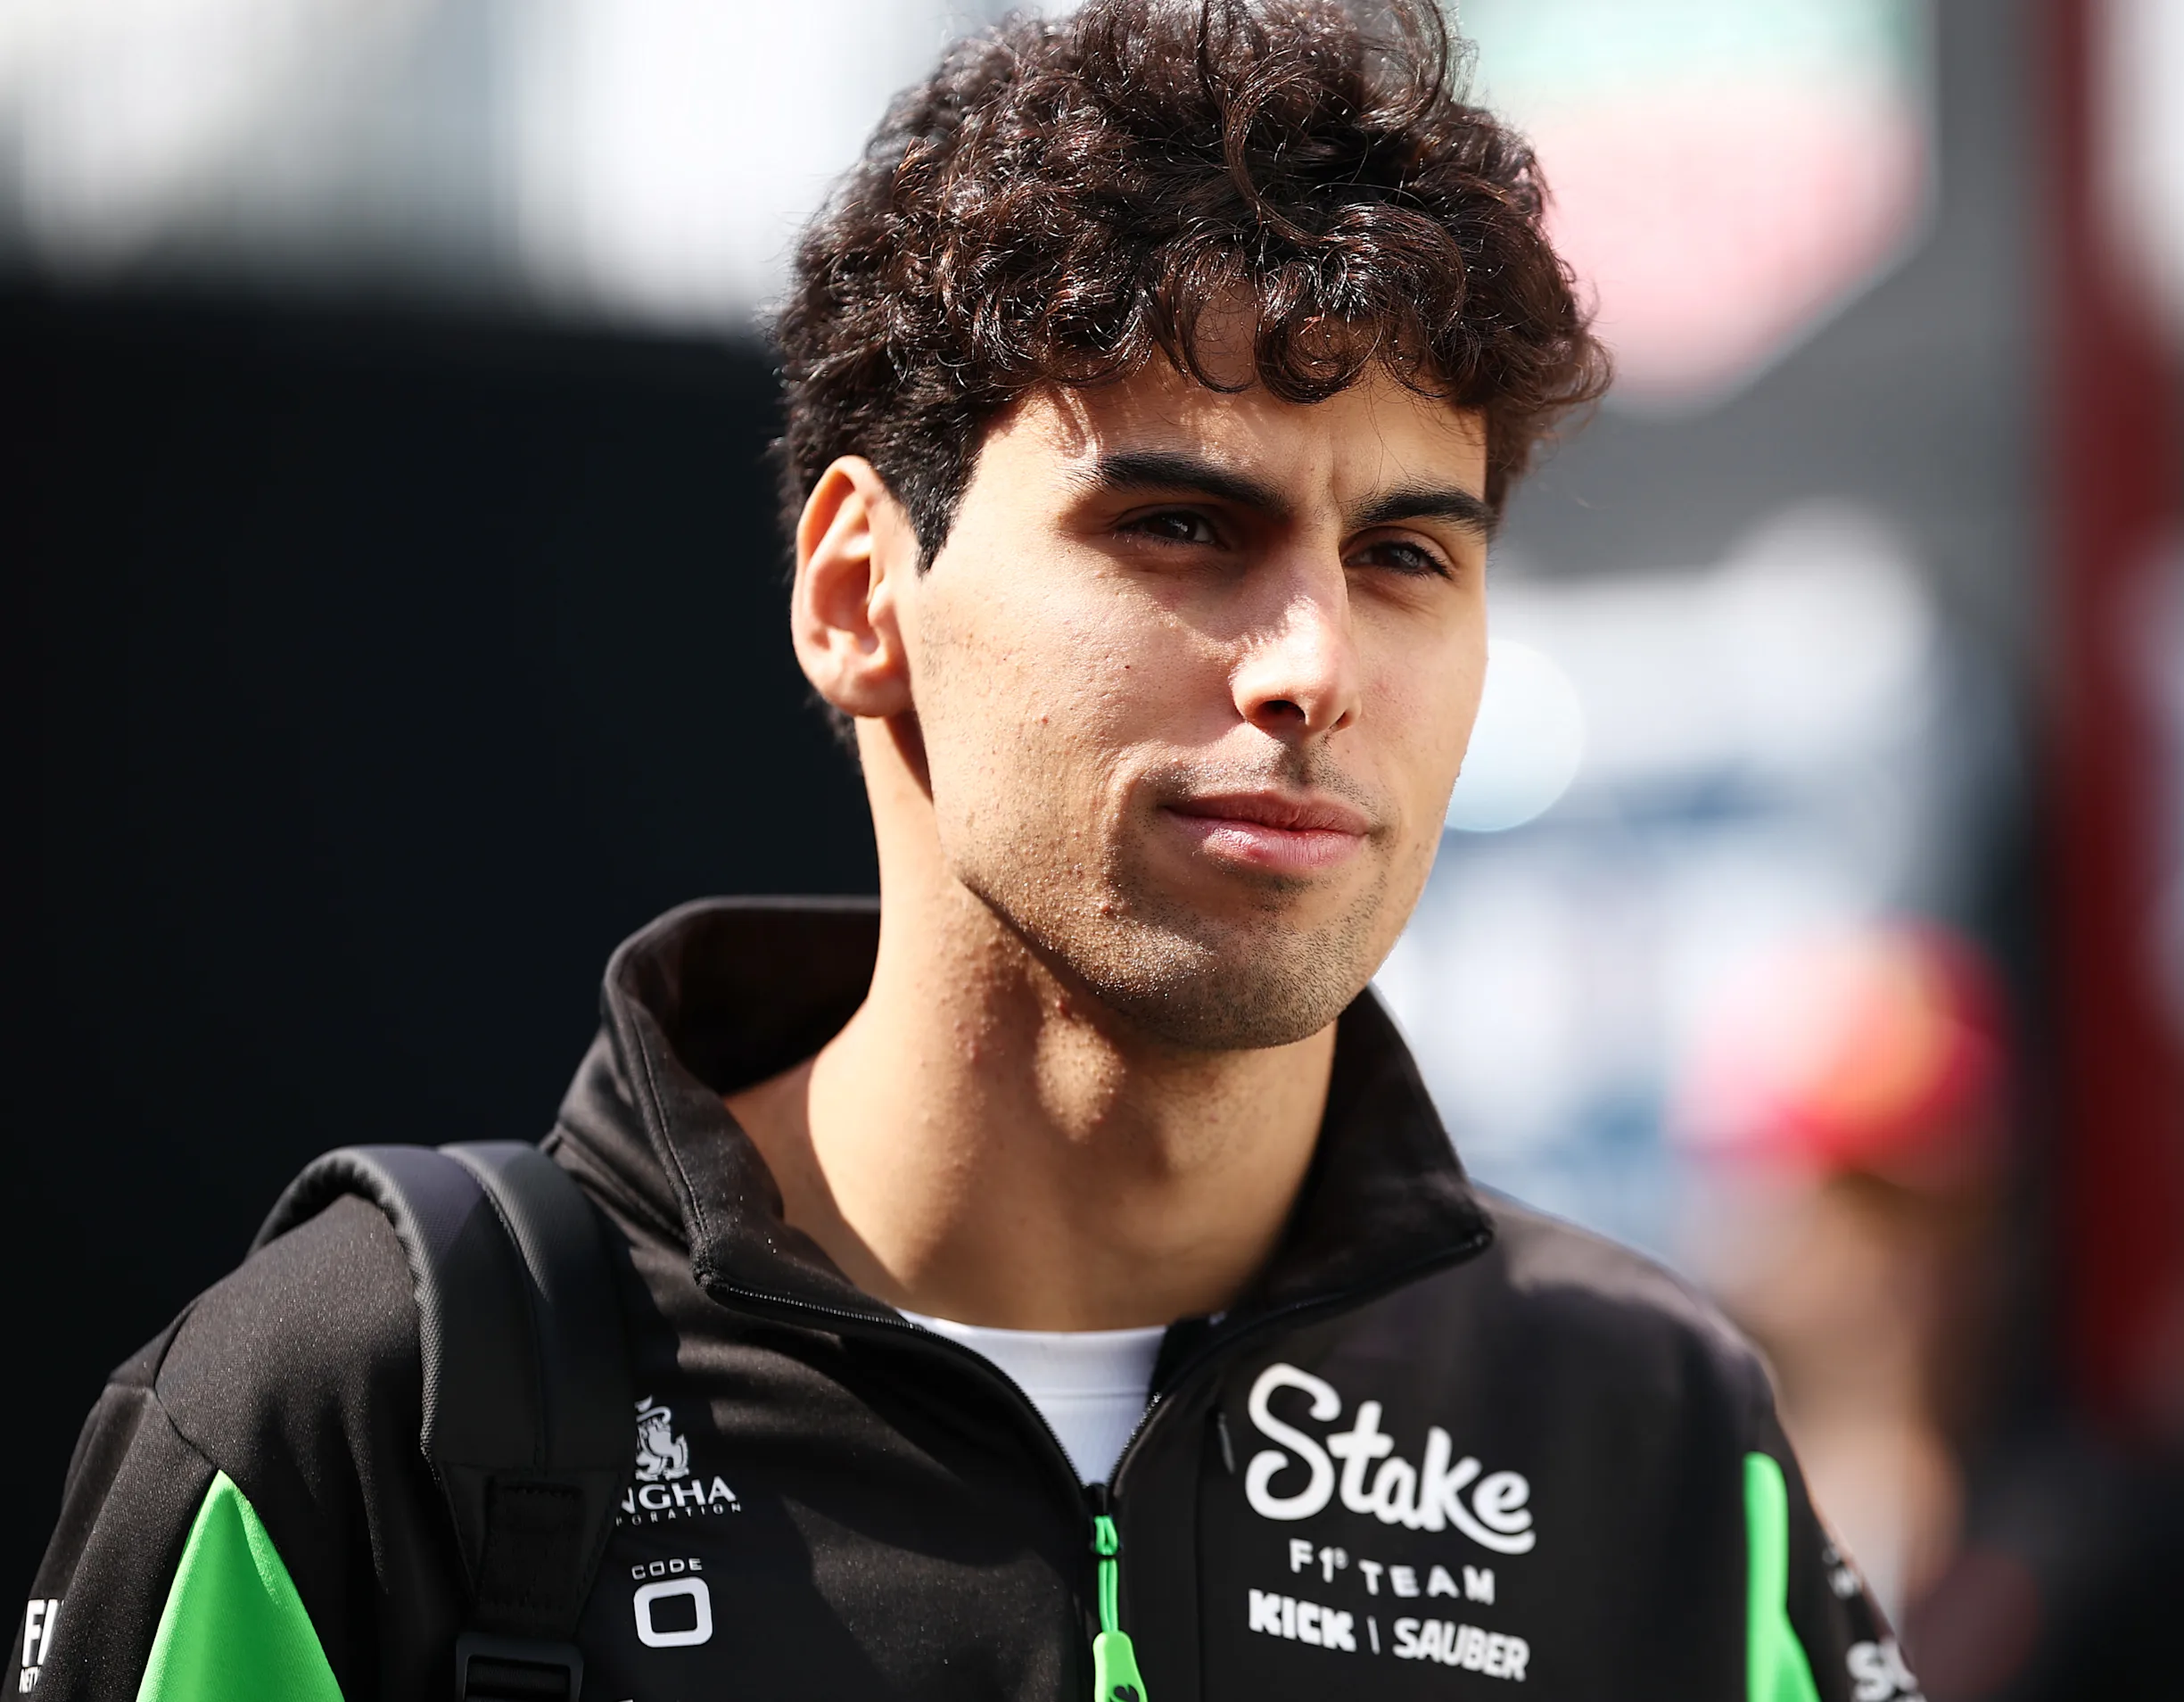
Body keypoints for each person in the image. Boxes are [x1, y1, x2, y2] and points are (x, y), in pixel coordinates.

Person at [14, 2, 1916, 1698]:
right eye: (1179, 527)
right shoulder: (355, 1422)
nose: (1312, 667)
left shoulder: (1650, 1439)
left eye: (1406, 554)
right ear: (861, 591)